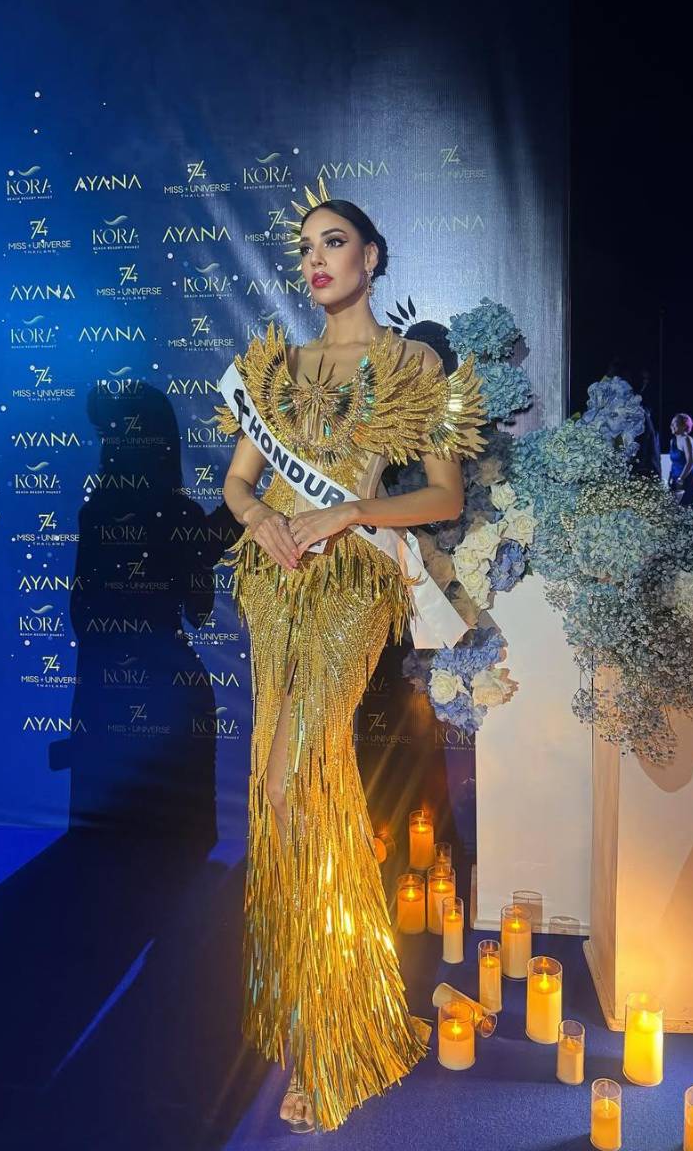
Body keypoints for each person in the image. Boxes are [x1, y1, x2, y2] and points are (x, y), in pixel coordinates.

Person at [217, 177, 486, 1133]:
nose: (316, 259)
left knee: (300, 778)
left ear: (371, 259)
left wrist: (348, 510)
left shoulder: (411, 363)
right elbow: (240, 485)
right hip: (274, 580)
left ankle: (340, 1033)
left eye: (334, 241)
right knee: (279, 785)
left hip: (350, 584)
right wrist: (264, 523)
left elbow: (443, 496)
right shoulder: (277, 367)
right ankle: (325, 1001)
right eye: (304, 248)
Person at [668, 412, 693, 504]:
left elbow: (690, 462)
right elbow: (674, 462)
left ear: (684, 425)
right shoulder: (672, 441)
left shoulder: (686, 439)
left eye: (674, 423)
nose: (671, 425)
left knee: (689, 507)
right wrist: (671, 477)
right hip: (676, 477)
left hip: (687, 478)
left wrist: (681, 478)